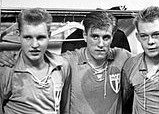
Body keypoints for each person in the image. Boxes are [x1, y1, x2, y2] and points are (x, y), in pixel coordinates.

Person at [0, 10, 131, 114]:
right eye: (95, 36)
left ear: (113, 37)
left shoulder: (123, 57)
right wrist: (6, 56)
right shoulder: (66, 61)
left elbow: (144, 63)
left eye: (106, 37)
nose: (100, 44)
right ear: (85, 35)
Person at [0, 8, 71, 114]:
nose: (34, 45)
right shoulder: (7, 70)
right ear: (19, 36)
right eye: (28, 37)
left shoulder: (62, 66)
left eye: (40, 37)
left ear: (49, 36)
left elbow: (64, 109)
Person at [122, 6, 159, 113]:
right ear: (138, 37)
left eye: (156, 35)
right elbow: (123, 103)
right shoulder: (131, 65)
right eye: (144, 36)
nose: (150, 42)